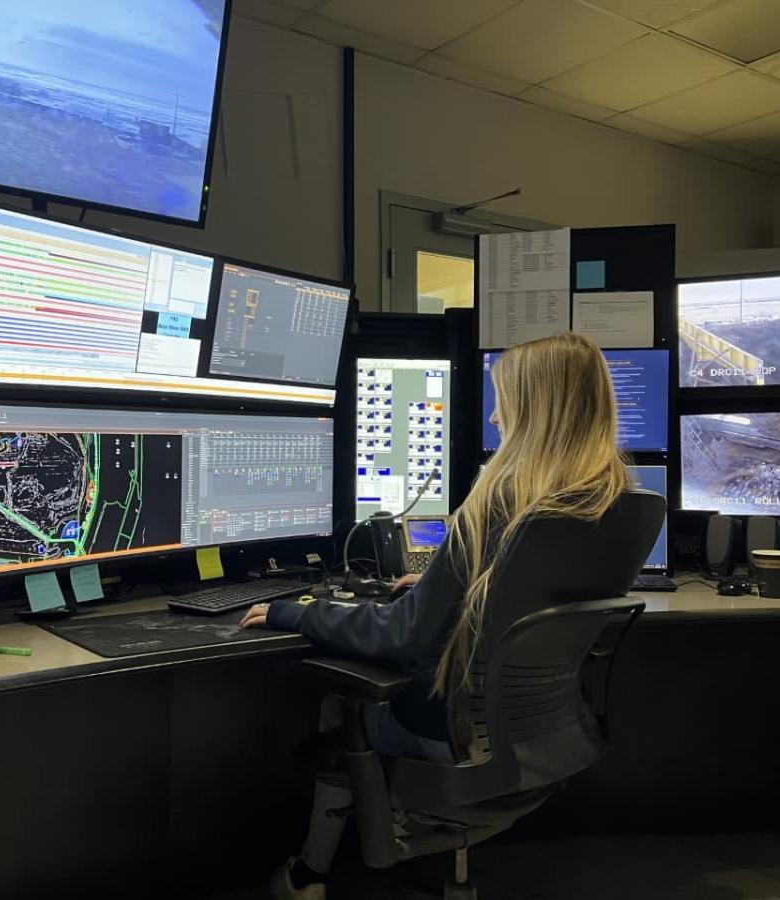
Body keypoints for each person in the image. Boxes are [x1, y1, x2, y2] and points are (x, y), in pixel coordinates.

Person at [240, 332, 633, 900]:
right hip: (551, 730)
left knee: (340, 704)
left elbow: (401, 634)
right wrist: (443, 584)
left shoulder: (500, 499)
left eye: (506, 401)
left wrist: (296, 611)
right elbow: (528, 595)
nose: (496, 416)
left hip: (460, 735)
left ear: (535, 411)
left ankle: (309, 875)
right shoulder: (616, 501)